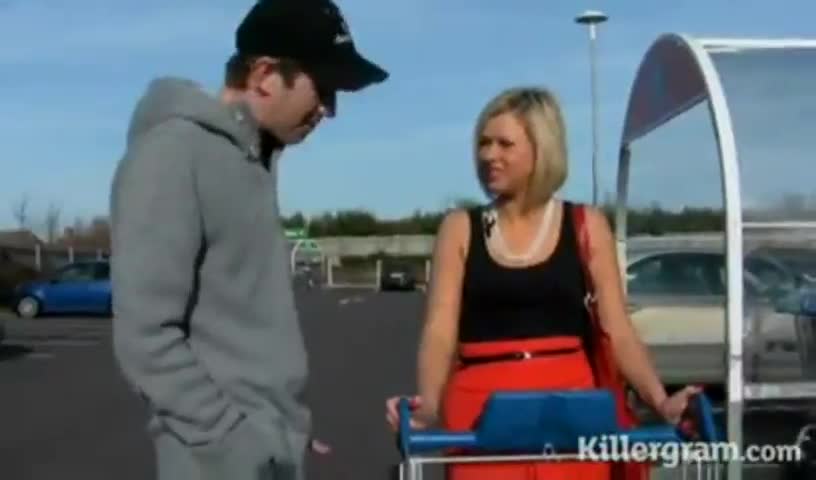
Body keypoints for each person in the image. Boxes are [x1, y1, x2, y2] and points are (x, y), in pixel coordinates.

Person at [109, 1, 387, 479]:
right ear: (263, 75)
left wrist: (282, 428)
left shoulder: (250, 162)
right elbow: (146, 338)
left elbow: (237, 324)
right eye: (322, 88)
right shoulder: (173, 153)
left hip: (267, 449)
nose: (329, 109)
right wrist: (235, 442)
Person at [385, 87, 701, 480]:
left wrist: (660, 401)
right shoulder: (459, 228)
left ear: (542, 150)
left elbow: (617, 329)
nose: (488, 155)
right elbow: (440, 329)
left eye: (504, 144)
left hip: (572, 409)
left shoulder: (586, 225)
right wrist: (429, 406)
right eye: (483, 143)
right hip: (479, 412)